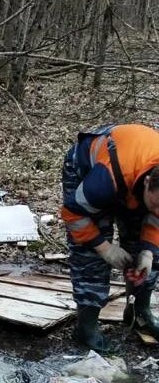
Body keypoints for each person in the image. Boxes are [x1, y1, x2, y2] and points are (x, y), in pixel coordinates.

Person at [60, 123, 159, 351]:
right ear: (147, 183)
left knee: (150, 254)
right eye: (155, 205)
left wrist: (148, 249)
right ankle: (86, 327)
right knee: (89, 255)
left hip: (133, 179)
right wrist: (104, 248)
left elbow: (156, 218)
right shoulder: (103, 182)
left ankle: (139, 312)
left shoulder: (154, 195)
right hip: (91, 170)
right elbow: (72, 213)